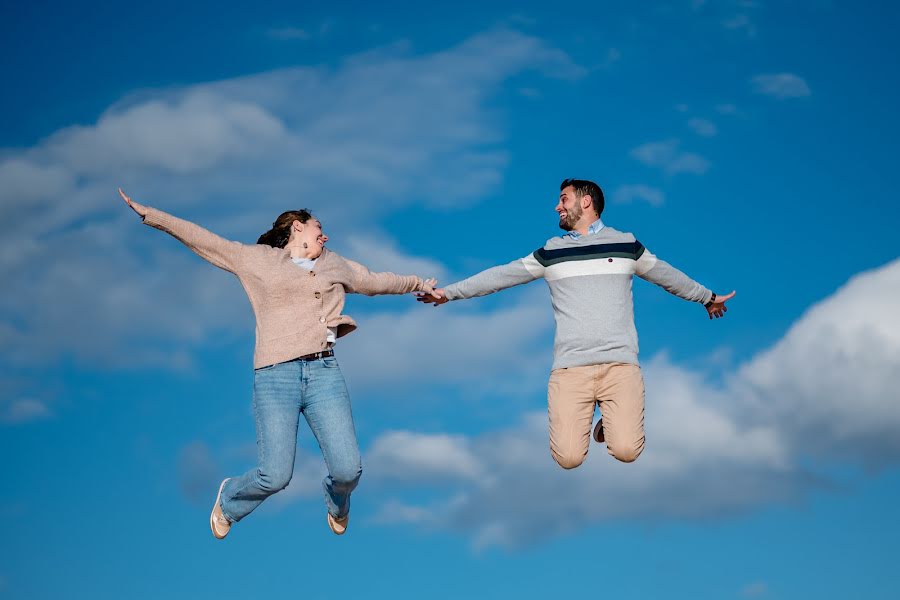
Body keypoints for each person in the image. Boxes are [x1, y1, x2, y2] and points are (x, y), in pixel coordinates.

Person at [118, 188, 437, 539]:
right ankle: (229, 500)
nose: (325, 234)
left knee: (348, 471)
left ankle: (337, 500)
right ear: (297, 227)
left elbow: (376, 281)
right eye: (318, 226)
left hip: (323, 374)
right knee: (275, 475)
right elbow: (204, 240)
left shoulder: (334, 263)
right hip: (275, 377)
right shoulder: (258, 260)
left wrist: (418, 283)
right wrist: (152, 214)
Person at [417, 179, 734, 470]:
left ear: (586, 202)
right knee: (567, 458)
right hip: (571, 369)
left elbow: (667, 275)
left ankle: (610, 421)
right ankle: (600, 417)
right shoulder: (552, 252)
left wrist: (706, 297)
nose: (557, 206)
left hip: (618, 365)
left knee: (626, 450)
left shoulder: (626, 245)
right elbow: (501, 276)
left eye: (563, 199)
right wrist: (449, 293)